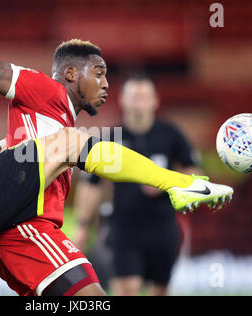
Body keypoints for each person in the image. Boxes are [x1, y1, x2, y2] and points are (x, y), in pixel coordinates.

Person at [0, 39, 234, 296]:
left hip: (25, 230)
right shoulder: (45, 91)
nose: (106, 84)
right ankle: (176, 184)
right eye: (98, 73)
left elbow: (7, 153)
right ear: (70, 74)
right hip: (27, 228)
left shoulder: (48, 122)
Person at [74, 74, 201, 296]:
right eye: (134, 97)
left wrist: (165, 181)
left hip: (163, 226)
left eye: (144, 97)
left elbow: (195, 172)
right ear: (123, 100)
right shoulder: (110, 137)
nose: (139, 102)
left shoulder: (171, 135)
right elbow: (91, 184)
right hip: (124, 228)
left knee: (160, 290)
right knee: (126, 289)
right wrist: (83, 224)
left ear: (155, 101)